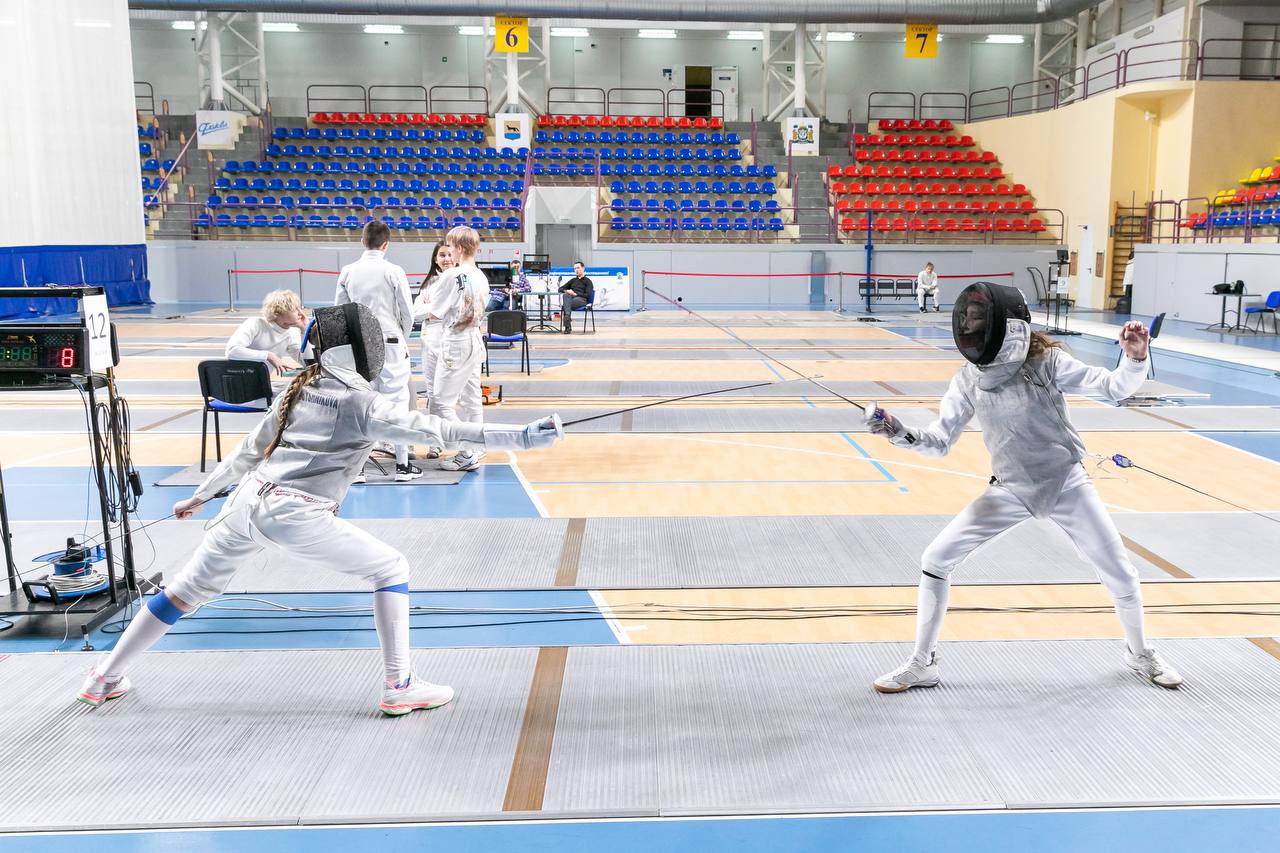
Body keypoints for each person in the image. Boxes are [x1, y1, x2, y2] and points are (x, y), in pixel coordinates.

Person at [76, 304, 563, 714]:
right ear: (359, 350)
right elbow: (441, 430)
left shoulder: (298, 388)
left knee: (183, 591)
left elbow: (247, 452)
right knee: (391, 568)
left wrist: (200, 496)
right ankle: (399, 686)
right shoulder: (362, 404)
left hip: (244, 504)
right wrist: (521, 437)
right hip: (294, 512)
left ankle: (103, 677)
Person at [866, 282, 1182, 694]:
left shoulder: (1047, 362)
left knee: (1121, 573)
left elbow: (1113, 387)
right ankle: (922, 663)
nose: (971, 325)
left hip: (1066, 483)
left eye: (979, 317)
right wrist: (898, 432)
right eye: (968, 318)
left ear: (1006, 324)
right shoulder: (968, 380)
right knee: (936, 558)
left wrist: (1136, 358)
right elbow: (939, 441)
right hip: (1010, 487)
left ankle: (1139, 653)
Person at [335, 221, 420, 482]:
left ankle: (359, 469)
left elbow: (340, 311)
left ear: (363, 242)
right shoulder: (394, 271)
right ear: (386, 245)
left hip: (360, 342)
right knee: (397, 402)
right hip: (391, 340)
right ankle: (403, 466)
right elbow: (407, 311)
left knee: (362, 402)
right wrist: (401, 337)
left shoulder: (348, 271)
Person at [427, 226, 490, 472]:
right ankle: (477, 446)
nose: (449, 252)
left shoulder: (453, 275)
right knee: (472, 397)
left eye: (451, 247)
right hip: (474, 339)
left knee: (441, 402)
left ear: (460, 248)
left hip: (456, 342)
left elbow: (434, 312)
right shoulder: (481, 275)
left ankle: (466, 452)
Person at [225, 289, 307, 375]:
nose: (300, 313)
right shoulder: (255, 323)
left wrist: (305, 330)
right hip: (236, 377)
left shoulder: (292, 331)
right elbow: (231, 351)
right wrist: (268, 355)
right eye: (295, 309)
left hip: (259, 380)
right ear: (279, 312)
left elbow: (306, 362)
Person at [558, 261, 594, 333]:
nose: (576, 270)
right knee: (566, 295)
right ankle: (567, 317)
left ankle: (567, 325)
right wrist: (567, 291)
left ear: (583, 268)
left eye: (578, 268)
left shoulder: (588, 281)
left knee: (566, 304)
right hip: (571, 300)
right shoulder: (573, 280)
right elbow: (560, 289)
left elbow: (588, 295)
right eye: (575, 268)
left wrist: (575, 294)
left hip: (582, 300)